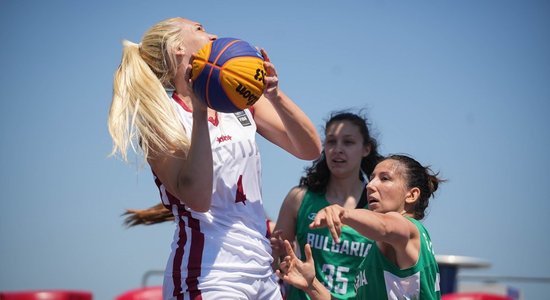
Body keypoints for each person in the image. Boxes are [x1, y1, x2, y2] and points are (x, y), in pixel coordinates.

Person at [108, 17, 321, 300]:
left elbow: (309, 149)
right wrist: (199, 111)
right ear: (178, 48)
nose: (213, 35)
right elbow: (198, 198)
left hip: (261, 268)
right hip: (208, 272)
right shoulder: (163, 121)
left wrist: (275, 95)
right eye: (199, 29)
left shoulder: (239, 102)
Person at [277, 154, 444, 300]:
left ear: (412, 195)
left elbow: (385, 225)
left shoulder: (407, 228)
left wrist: (342, 213)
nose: (371, 185)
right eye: (371, 178)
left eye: (385, 178)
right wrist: (311, 284)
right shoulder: (375, 253)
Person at [271, 111, 383, 299]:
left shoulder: (379, 207)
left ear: (366, 149)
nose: (337, 149)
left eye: (348, 142)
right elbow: (275, 266)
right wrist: (279, 256)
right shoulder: (298, 198)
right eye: (331, 142)